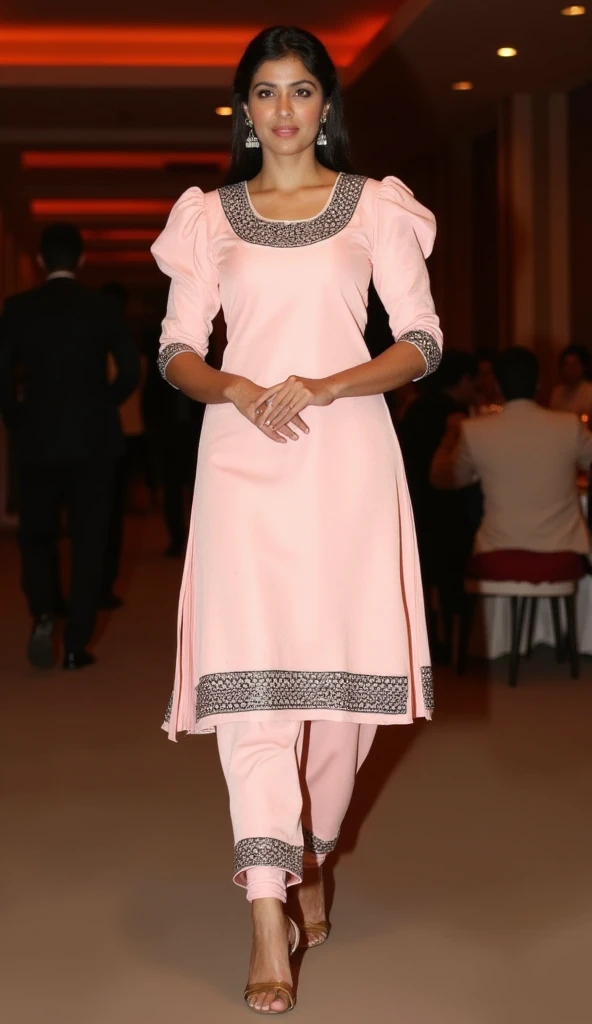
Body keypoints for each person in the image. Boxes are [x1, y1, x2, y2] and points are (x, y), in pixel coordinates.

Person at [151, 25, 443, 1014]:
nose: (283, 109)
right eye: (266, 92)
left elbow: (420, 339)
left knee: (350, 708)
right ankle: (267, 908)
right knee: (254, 690)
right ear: (245, 109)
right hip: (242, 462)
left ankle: (310, 849)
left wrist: (326, 381)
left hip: (348, 459)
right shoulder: (210, 220)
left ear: (326, 106)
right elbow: (176, 347)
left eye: (302, 90)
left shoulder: (375, 208)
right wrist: (232, 387)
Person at [0, 224, 139, 670]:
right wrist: (103, 405)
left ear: (41, 261)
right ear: (80, 261)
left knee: (37, 535)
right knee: (89, 540)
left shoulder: (19, 308)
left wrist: (18, 422)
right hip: (94, 442)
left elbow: (2, 378)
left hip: (37, 440)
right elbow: (131, 372)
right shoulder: (101, 308)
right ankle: (77, 645)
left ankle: (43, 610)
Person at [431, 347, 592, 577]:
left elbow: (443, 479)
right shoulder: (569, 425)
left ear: (497, 386)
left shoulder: (475, 430)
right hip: (563, 551)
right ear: (538, 385)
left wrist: (449, 438)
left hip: (496, 552)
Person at [397, 350, 480, 660]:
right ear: (465, 379)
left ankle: (429, 646)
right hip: (448, 505)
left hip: (415, 502)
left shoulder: (415, 408)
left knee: (424, 576)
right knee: (450, 577)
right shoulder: (457, 415)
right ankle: (453, 643)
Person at [550, 343, 592, 420]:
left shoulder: (590, 392)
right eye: (566, 364)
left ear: (584, 367)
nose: (570, 369)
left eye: (574, 364)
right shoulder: (557, 392)